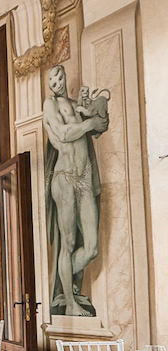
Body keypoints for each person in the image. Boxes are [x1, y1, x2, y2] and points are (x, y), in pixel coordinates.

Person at [43, 65, 108, 316]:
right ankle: (69, 302)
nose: (56, 82)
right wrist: (89, 121)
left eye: (59, 77)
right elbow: (63, 133)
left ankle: (65, 284)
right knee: (68, 242)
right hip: (65, 177)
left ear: (65, 77)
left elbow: (101, 126)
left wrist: (95, 108)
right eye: (52, 78)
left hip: (83, 178)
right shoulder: (50, 105)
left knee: (92, 247)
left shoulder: (76, 105)